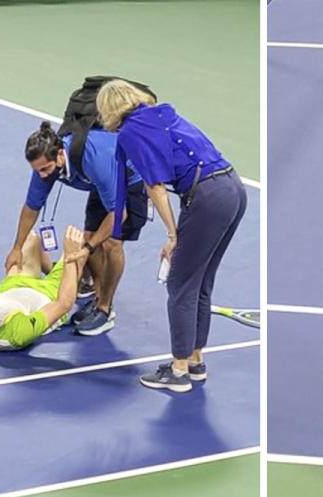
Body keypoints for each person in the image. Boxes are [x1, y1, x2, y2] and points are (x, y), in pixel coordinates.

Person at [96, 79, 247, 393]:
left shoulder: (131, 131)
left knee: (180, 283)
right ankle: (195, 361)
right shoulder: (161, 114)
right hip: (233, 188)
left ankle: (178, 372)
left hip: (208, 197)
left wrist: (173, 235)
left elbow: (155, 187)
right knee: (201, 281)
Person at [7, 121, 149, 335]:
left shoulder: (94, 160)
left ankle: (105, 309)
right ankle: (97, 294)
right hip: (102, 183)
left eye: (45, 169)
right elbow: (31, 208)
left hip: (132, 179)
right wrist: (16, 248)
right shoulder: (45, 166)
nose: (43, 175)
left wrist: (88, 248)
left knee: (111, 243)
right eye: (38, 171)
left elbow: (119, 214)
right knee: (90, 234)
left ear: (60, 156)